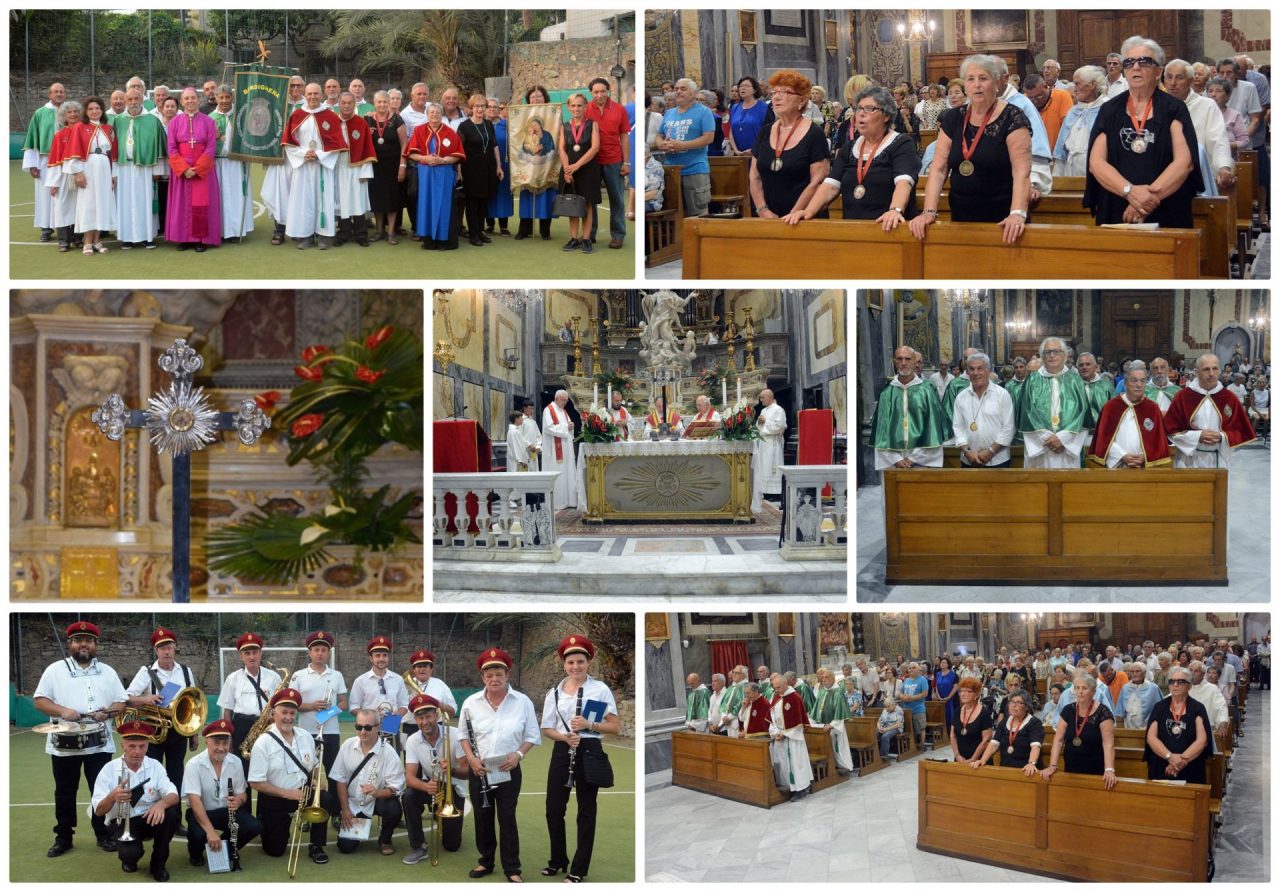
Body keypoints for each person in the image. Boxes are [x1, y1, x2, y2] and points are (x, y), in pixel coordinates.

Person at [910, 54, 1032, 244]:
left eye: (983, 78)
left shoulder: (1012, 117)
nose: (977, 85)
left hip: (1004, 217)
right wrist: (928, 212)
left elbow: (1021, 172)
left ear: (996, 83)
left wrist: (1017, 213)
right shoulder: (953, 118)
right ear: (965, 85)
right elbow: (939, 168)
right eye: (970, 79)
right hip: (961, 214)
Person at [1084, 36, 1201, 228]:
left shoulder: (1174, 108)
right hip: (1117, 208)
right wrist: (1130, 192)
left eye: (1144, 62)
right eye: (1129, 62)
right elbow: (1096, 163)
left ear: (1158, 71)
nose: (1135, 67)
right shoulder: (1110, 110)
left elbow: (1184, 162)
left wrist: (1145, 201)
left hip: (1165, 207)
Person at [35, 621, 129, 858]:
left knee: (102, 789)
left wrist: (106, 712)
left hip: (99, 743)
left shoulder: (108, 672)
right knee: (65, 792)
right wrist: (63, 710)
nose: (83, 644)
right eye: (78, 640)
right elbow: (40, 700)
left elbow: (121, 702)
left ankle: (103, 834)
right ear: (70, 644)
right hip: (64, 745)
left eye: (88, 640)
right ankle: (64, 837)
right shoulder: (54, 670)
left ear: (95, 644)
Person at [540, 635, 619, 882]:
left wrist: (589, 724)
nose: (576, 666)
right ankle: (557, 860)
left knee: (586, 811)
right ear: (564, 664)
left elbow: (615, 726)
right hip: (564, 750)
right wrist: (564, 738)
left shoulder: (600, 689)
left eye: (580, 661)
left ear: (588, 663)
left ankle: (579, 869)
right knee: (553, 809)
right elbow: (547, 728)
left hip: (590, 750)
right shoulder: (554, 693)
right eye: (571, 662)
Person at [460, 648, 541, 881]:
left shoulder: (522, 702)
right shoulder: (471, 702)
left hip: (508, 769)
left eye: (499, 673)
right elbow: (463, 736)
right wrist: (472, 760)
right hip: (480, 769)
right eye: (489, 675)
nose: (494, 679)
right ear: (482, 677)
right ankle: (485, 861)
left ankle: (512, 869)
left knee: (507, 818)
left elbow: (532, 735)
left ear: (507, 675)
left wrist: (518, 755)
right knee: (483, 818)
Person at [248, 687, 336, 865]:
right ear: (273, 714)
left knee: (325, 798)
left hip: (303, 792)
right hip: (276, 798)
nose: (288, 717)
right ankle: (271, 826)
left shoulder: (305, 736)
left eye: (292, 712)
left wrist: (318, 780)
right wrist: (287, 793)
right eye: (284, 712)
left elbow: (315, 764)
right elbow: (256, 782)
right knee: (275, 850)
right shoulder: (263, 742)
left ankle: (316, 845)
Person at [123, 628, 197, 835]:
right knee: (152, 776)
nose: (166, 651)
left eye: (169, 647)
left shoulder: (185, 671)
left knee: (176, 776)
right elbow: (127, 697)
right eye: (162, 648)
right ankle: (148, 818)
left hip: (178, 731)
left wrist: (193, 732)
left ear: (175, 648)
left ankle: (175, 821)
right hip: (153, 732)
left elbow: (192, 702)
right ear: (156, 650)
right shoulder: (147, 672)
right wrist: (145, 699)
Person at [91, 719, 180, 880]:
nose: (137, 752)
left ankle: (158, 864)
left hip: (149, 817)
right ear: (123, 746)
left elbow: (173, 794)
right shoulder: (108, 769)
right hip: (122, 820)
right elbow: (98, 811)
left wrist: (161, 804)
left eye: (142, 746)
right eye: (132, 746)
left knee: (172, 813)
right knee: (130, 855)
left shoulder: (155, 766)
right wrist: (112, 797)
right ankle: (130, 855)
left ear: (147, 746)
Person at [749, 70, 830, 221]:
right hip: (767, 218)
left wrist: (793, 213)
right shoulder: (765, 132)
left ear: (801, 101)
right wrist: (762, 210)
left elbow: (817, 181)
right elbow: (754, 175)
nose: (777, 97)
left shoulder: (814, 133)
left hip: (802, 218)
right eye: (774, 92)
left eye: (786, 92)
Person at [183, 718, 262, 870]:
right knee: (198, 836)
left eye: (225, 743)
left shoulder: (236, 762)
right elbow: (195, 802)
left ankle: (223, 849)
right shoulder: (193, 764)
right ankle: (196, 853)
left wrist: (238, 801)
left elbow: (242, 794)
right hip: (201, 812)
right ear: (207, 741)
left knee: (254, 826)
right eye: (216, 743)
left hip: (226, 812)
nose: (221, 748)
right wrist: (210, 832)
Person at [401, 694, 469, 865]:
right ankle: (418, 846)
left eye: (428, 716)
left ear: (437, 716)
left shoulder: (455, 735)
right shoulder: (412, 740)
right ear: (416, 720)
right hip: (430, 785)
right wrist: (425, 787)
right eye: (420, 718)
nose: (425, 722)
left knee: (452, 846)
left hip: (453, 788)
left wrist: (451, 771)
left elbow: (468, 771)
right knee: (408, 796)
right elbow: (409, 777)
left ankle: (444, 821)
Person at [330, 708, 405, 856]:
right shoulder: (347, 746)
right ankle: (358, 825)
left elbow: (395, 787)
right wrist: (345, 809)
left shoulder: (389, 752)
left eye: (368, 727)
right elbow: (340, 780)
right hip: (353, 804)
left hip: (377, 801)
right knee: (345, 848)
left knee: (394, 809)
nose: (362, 732)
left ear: (378, 727)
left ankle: (385, 839)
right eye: (359, 727)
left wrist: (377, 792)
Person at [1164, 353, 1257, 468]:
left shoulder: (1229, 398)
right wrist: (1197, 436)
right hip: (1188, 460)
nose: (1211, 373)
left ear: (1219, 371)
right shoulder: (1183, 397)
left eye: (1215, 368)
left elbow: (1240, 430)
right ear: (1197, 372)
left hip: (1218, 460)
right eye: (1206, 369)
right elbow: (1171, 430)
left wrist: (1221, 437)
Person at [282, 83, 345, 250]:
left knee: (323, 200)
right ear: (305, 94)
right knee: (303, 201)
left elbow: (337, 143)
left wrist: (319, 155)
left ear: (321, 95)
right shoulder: (296, 115)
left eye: (316, 93)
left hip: (322, 165)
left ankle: (323, 235)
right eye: (309, 93)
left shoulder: (331, 117)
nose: (312, 97)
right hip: (303, 166)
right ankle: (305, 235)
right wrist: (304, 153)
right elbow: (288, 142)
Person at [871, 345, 949, 468]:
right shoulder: (886, 394)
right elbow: (881, 434)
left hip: (922, 461)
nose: (903, 363)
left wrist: (914, 458)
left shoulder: (927, 392)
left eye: (908, 359)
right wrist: (895, 459)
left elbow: (934, 431)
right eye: (899, 359)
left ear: (914, 363)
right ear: (894, 362)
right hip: (893, 463)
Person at [1165, 60, 1236, 194]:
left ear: (1190, 80)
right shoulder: (1158, 106)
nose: (1173, 83)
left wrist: (1223, 167)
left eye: (1179, 78)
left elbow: (1218, 141)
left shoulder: (1207, 105)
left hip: (1198, 176)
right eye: (1169, 77)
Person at [164, 87, 221, 253]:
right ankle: (183, 239)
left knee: (201, 205)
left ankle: (200, 239)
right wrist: (184, 169)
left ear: (198, 100)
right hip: (181, 171)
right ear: (182, 101)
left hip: (202, 171)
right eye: (186, 98)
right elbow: (172, 149)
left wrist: (197, 169)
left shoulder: (209, 122)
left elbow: (211, 148)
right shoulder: (174, 122)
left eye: (193, 98)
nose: (190, 101)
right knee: (181, 205)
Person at [1017, 336, 1087, 469]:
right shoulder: (1032, 380)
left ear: (1064, 356)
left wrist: (1062, 439)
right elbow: (1027, 412)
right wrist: (1048, 439)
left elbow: (1082, 412)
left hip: (1067, 448)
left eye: (1056, 351)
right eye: (1047, 352)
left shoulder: (1075, 380)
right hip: (1040, 448)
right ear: (1042, 356)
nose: (1052, 355)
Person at [216, 633, 282, 771]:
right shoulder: (233, 678)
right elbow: (227, 710)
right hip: (241, 727)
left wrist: (274, 719)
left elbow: (280, 705)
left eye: (255, 652)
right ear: (241, 655)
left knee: (269, 769)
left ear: (260, 653)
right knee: (242, 770)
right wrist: (229, 736)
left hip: (267, 725)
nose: (251, 657)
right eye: (247, 653)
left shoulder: (274, 677)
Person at [1040, 672, 1117, 789]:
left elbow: (1108, 744)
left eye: (1084, 688)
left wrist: (1109, 769)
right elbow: (1058, 740)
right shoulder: (1068, 710)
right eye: (1077, 688)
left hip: (1094, 765)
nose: (1080, 691)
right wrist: (1052, 765)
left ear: (1093, 691)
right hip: (1071, 764)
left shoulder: (1103, 712)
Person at [405, 103, 464, 251]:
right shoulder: (419, 131)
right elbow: (411, 153)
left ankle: (445, 240)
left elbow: (458, 155)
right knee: (426, 204)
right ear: (427, 114)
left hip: (444, 174)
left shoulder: (450, 133)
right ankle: (428, 239)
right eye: (431, 112)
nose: (434, 115)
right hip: (425, 174)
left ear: (441, 114)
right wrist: (424, 158)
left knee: (444, 206)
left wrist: (442, 160)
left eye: (437, 112)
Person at [1088, 363, 1171, 468]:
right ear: (1126, 383)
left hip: (1144, 468)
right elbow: (1103, 439)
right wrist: (1122, 455)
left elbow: (1158, 441)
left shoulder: (1152, 408)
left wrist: (1145, 456)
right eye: (1134, 380)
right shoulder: (1111, 407)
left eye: (1142, 380)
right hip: (1116, 467)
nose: (1139, 385)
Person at [656, 78, 717, 217]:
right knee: (673, 214)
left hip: (694, 169)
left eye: (683, 89)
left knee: (698, 213)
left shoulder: (704, 112)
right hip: (671, 169)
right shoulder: (670, 113)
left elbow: (708, 137)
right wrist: (661, 144)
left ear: (693, 93)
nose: (678, 92)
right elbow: (659, 135)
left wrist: (682, 145)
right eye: (676, 89)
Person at [65, 95, 118, 256]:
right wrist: (78, 172)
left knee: (102, 203)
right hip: (88, 167)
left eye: (97, 108)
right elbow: (74, 150)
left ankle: (97, 241)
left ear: (102, 110)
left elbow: (113, 153)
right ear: (86, 112)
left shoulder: (108, 128)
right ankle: (87, 242)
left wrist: (113, 174)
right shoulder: (79, 127)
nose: (95, 111)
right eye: (91, 109)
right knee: (89, 204)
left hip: (104, 168)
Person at [584, 78, 631, 249]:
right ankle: (590, 233)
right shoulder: (585, 109)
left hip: (614, 160)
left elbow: (624, 136)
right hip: (592, 161)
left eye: (602, 91)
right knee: (591, 198)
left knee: (617, 199)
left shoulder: (619, 109)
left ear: (608, 91)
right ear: (591, 93)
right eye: (596, 92)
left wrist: (627, 162)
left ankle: (618, 235)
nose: (599, 95)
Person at [292, 631, 348, 776]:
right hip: (306, 733)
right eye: (316, 650)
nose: (320, 653)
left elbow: (343, 703)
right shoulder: (298, 675)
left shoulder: (337, 675)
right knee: (308, 774)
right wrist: (311, 706)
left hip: (331, 732)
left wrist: (327, 713)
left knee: (334, 774)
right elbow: (291, 705)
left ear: (328, 653)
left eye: (323, 650)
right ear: (310, 652)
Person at [1145, 666, 1211, 783]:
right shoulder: (1159, 707)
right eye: (1171, 681)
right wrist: (1170, 757)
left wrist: (1182, 761)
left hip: (1190, 766)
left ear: (1189, 685)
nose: (1175, 685)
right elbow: (1151, 738)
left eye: (1180, 682)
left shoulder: (1197, 708)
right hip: (1162, 766)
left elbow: (1202, 740)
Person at [206, 84, 253, 243]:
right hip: (217, 163)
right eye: (221, 97)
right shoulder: (209, 118)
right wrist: (216, 137)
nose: (224, 100)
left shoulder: (242, 115)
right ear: (216, 98)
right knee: (220, 197)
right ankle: (219, 230)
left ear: (232, 97)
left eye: (227, 97)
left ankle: (235, 230)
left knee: (235, 197)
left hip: (236, 163)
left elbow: (251, 137)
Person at [952, 352, 1015, 468]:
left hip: (998, 461)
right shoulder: (961, 397)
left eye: (980, 369)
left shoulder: (1002, 395)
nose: (975, 373)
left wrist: (990, 452)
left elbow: (1008, 428)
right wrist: (967, 452)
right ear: (967, 372)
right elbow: (957, 428)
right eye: (971, 369)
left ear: (988, 370)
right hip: (969, 460)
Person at [558, 92, 602, 253]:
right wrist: (567, 169)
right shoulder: (565, 126)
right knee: (572, 204)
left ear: (585, 107)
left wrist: (577, 165)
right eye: (573, 105)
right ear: (569, 107)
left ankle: (586, 239)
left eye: (580, 105)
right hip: (569, 170)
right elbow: (562, 149)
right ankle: (573, 238)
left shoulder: (592, 124)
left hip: (588, 170)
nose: (576, 108)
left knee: (587, 204)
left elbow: (595, 147)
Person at [23, 81, 66, 242]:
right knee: (44, 194)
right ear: (50, 94)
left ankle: (66, 227)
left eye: (61, 91)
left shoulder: (70, 112)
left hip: (65, 160)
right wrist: (32, 164)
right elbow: (32, 138)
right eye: (56, 92)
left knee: (64, 193)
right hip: (45, 160)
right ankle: (46, 228)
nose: (59, 94)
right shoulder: (40, 113)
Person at [458, 93, 503, 248]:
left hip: (488, 168)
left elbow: (494, 145)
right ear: (471, 108)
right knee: (472, 203)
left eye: (482, 106)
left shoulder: (488, 124)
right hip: (470, 170)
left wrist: (498, 166)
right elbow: (459, 150)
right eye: (476, 106)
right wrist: (459, 171)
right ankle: (473, 233)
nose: (480, 109)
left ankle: (480, 231)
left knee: (484, 200)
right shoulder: (464, 126)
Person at [348, 636, 409, 747]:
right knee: (370, 760)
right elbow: (353, 707)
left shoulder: (398, 679)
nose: (381, 659)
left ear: (388, 657)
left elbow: (404, 704)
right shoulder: (360, 681)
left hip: (392, 725)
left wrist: (396, 715)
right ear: (371, 658)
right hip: (369, 728)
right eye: (377, 655)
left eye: (384, 655)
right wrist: (371, 717)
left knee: (392, 759)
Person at [332, 92, 375, 247]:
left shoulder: (361, 123)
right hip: (338, 169)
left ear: (354, 104)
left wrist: (365, 171)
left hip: (357, 168)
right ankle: (343, 232)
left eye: (349, 103)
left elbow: (367, 147)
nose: (346, 105)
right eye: (343, 102)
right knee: (341, 202)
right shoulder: (332, 122)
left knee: (358, 201)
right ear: (339, 103)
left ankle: (361, 233)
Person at [515, 86, 558, 241]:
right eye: (533, 97)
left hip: (545, 166)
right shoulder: (527, 132)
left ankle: (545, 230)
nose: (536, 99)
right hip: (529, 167)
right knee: (527, 197)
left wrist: (543, 149)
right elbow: (522, 146)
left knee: (546, 198)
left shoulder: (547, 134)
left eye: (539, 96)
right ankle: (524, 229)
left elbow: (552, 146)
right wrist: (530, 151)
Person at [366, 90, 408, 243]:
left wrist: (402, 165)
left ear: (389, 103)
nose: (382, 104)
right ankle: (379, 231)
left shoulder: (397, 120)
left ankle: (391, 232)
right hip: (374, 167)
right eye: (379, 102)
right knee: (376, 199)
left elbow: (404, 144)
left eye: (385, 101)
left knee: (392, 199)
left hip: (393, 166)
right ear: (374, 103)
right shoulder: (368, 120)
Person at [1053, 66, 1109, 176]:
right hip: (1070, 170)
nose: (1074, 89)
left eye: (1078, 84)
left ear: (1092, 84)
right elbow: (1061, 149)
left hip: (1098, 171)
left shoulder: (1108, 109)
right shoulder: (1073, 111)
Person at [973, 690, 1043, 774]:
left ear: (1027, 707)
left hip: (1026, 771)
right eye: (1012, 702)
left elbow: (1035, 746)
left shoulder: (1034, 723)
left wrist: (1031, 763)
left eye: (1019, 702)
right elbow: (994, 744)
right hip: (1005, 769)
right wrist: (982, 760)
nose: (1014, 705)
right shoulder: (1004, 722)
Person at [768, 672, 812, 800]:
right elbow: (772, 718)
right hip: (780, 737)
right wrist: (775, 732)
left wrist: (785, 734)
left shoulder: (794, 698)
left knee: (796, 764)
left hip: (793, 740)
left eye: (779, 687)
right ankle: (787, 786)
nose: (776, 690)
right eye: (775, 688)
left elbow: (799, 722)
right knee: (782, 764)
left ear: (786, 684)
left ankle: (801, 788)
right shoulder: (776, 697)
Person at [751, 388, 787, 512]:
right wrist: (759, 422)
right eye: (760, 398)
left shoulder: (779, 410)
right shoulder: (764, 410)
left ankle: (775, 492)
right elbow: (758, 427)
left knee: (772, 467)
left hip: (773, 443)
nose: (760, 400)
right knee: (763, 466)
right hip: (763, 442)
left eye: (762, 397)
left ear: (770, 397)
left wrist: (765, 422)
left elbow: (780, 426)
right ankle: (764, 491)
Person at [542, 390, 578, 509]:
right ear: (556, 398)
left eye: (566, 401)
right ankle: (558, 502)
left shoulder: (563, 411)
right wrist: (566, 427)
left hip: (566, 448)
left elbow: (568, 428)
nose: (565, 403)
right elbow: (548, 428)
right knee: (559, 474)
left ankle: (569, 500)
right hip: (555, 450)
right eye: (563, 400)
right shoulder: (549, 410)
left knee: (567, 472)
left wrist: (571, 426)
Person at [1023, 73, 1074, 150]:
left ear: (1046, 86)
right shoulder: (1024, 100)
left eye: (1039, 96)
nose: (1035, 101)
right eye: (1031, 98)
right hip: (1033, 155)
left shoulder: (1062, 96)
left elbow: (1068, 128)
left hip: (1057, 155)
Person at [950, 677, 993, 766]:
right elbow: (952, 735)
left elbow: (985, 741)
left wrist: (973, 759)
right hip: (960, 759)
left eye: (968, 691)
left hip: (978, 761)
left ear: (976, 695)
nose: (963, 694)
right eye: (961, 691)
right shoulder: (957, 711)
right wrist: (957, 755)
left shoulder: (984, 713)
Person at [727, 76, 773, 157]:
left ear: (755, 90)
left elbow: (769, 133)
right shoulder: (734, 108)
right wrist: (736, 150)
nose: (743, 88)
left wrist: (754, 150)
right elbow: (731, 130)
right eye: (741, 86)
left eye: (747, 86)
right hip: (738, 154)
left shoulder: (764, 108)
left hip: (758, 154)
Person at [486, 98, 513, 236]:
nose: (492, 109)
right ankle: (489, 224)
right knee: (487, 193)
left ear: (499, 109)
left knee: (503, 194)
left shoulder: (507, 125)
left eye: (495, 107)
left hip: (504, 164)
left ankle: (503, 226)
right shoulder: (481, 124)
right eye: (489, 106)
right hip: (485, 166)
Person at [1207, 78, 1252, 150]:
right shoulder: (1202, 113)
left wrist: (1225, 146)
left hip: (1228, 156)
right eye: (1210, 91)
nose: (1213, 94)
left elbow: (1244, 141)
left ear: (1228, 96)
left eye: (1218, 91)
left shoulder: (1235, 115)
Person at [899, 662, 930, 748]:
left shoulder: (922, 679)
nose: (911, 669)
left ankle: (922, 745)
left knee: (920, 728)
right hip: (907, 709)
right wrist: (902, 697)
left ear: (918, 669)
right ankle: (911, 745)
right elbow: (901, 692)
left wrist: (911, 698)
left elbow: (924, 694)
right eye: (910, 668)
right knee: (909, 728)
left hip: (918, 708)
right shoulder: (906, 680)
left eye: (913, 668)